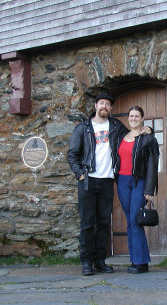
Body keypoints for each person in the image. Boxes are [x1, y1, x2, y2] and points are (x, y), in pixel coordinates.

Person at [67, 94, 151, 276]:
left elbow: (133, 133)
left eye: (108, 104)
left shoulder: (115, 127)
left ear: (111, 109)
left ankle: (100, 261)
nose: (104, 106)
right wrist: (80, 174)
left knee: (104, 224)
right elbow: (72, 154)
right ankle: (87, 262)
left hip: (107, 181)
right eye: (102, 103)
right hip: (88, 181)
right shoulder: (82, 128)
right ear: (96, 105)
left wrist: (148, 128)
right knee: (88, 223)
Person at [114, 106, 159, 274]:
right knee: (130, 221)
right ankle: (136, 260)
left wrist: (149, 189)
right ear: (128, 118)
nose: (133, 118)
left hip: (139, 181)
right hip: (122, 181)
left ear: (142, 119)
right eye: (131, 116)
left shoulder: (148, 139)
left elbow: (152, 165)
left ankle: (141, 262)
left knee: (135, 220)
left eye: (137, 116)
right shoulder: (121, 136)